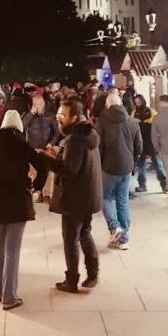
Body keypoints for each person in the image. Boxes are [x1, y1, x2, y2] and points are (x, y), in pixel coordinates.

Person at [0, 110, 48, 310]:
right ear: (19, 127)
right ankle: (9, 297)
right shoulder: (23, 146)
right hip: (18, 201)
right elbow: (43, 166)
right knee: (12, 250)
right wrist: (36, 186)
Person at [41, 99, 102, 293]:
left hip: (75, 197)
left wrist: (46, 158)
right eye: (57, 114)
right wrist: (60, 154)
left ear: (74, 117)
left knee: (71, 239)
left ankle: (72, 280)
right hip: (87, 194)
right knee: (84, 233)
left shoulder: (75, 139)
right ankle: (93, 274)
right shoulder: (88, 133)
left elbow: (68, 170)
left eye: (62, 115)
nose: (58, 119)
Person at [96, 93, 141, 250]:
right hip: (126, 166)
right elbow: (139, 146)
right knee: (123, 200)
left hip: (108, 167)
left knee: (105, 197)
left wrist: (99, 164)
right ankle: (124, 239)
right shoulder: (132, 122)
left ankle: (115, 228)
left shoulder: (102, 122)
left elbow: (98, 146)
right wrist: (133, 161)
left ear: (107, 105)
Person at [22, 94, 60, 203]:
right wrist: (31, 113)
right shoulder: (28, 115)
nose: (38, 106)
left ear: (44, 104)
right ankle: (36, 192)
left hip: (45, 147)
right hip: (32, 148)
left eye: (40, 104)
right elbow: (22, 126)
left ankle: (46, 194)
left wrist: (51, 143)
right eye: (35, 104)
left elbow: (56, 132)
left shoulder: (50, 115)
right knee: (34, 171)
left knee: (48, 170)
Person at [132, 94, 167, 193]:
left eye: (139, 102)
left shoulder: (152, 111)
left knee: (157, 164)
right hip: (140, 142)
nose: (138, 104)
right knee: (140, 165)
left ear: (143, 101)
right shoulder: (133, 113)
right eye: (136, 103)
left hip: (152, 142)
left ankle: (164, 184)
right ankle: (142, 185)